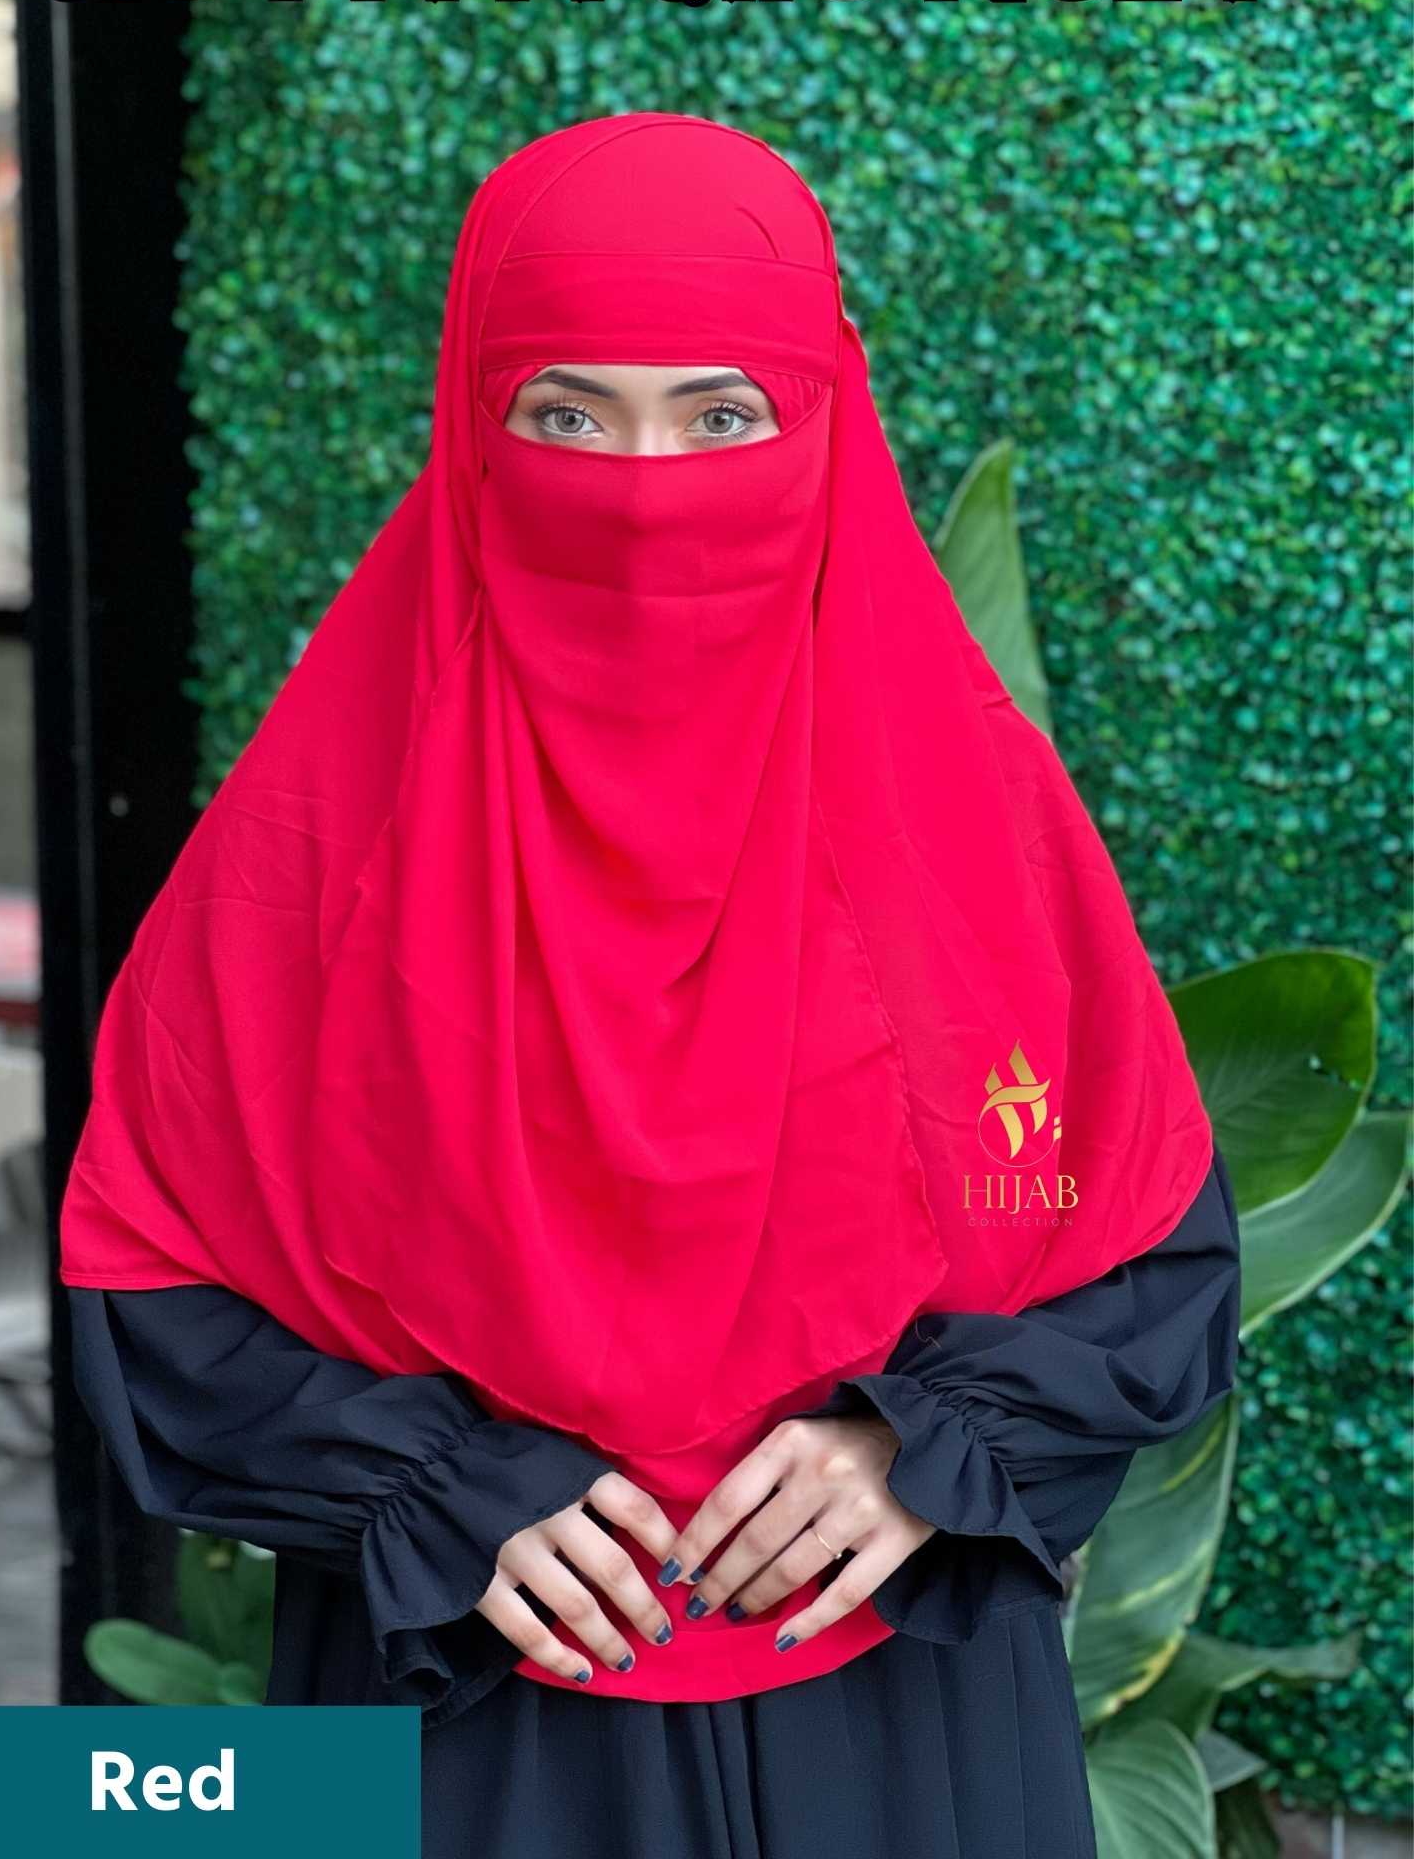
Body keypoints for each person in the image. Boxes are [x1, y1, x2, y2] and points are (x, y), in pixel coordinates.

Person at [60, 111, 1242, 1857]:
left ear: (822, 421)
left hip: (894, 1711)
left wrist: (917, 1449)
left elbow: (1148, 1257)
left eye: (721, 416)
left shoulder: (965, 825)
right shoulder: (319, 838)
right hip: (464, 1710)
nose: (641, 483)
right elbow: (154, 1274)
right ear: (473, 425)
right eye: (565, 416)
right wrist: (435, 1489)